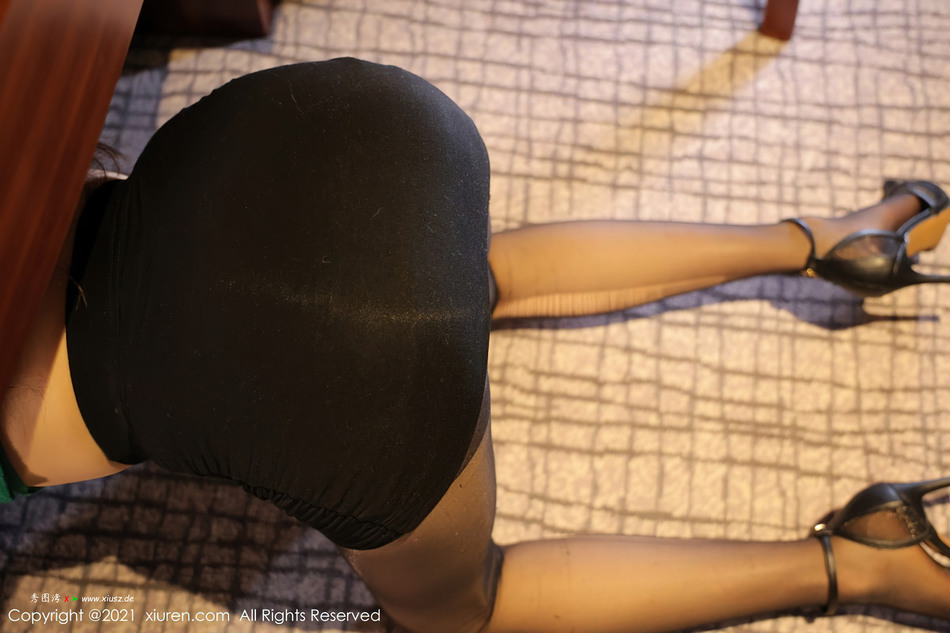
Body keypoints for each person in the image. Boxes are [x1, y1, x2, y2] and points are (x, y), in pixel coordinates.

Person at [1, 57, 948, 633]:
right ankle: (830, 240)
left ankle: (862, 560)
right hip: (346, 122)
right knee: (469, 274)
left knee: (465, 608)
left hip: (343, 367)